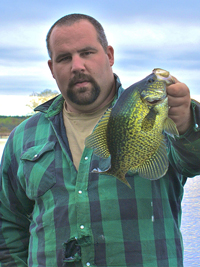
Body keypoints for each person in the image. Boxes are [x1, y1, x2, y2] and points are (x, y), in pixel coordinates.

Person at [0, 13, 200, 267]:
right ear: (52, 68)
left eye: (87, 53)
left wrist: (186, 125)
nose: (77, 66)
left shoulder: (169, 114)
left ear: (109, 55)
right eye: (64, 58)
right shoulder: (23, 137)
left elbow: (194, 162)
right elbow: (8, 225)